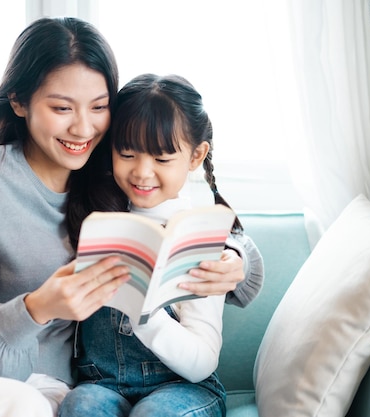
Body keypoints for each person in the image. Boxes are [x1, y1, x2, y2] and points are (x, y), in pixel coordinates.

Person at [0, 18, 247, 417]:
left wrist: (235, 258)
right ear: (19, 101)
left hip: (51, 388)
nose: (83, 127)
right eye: (61, 108)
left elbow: (189, 214)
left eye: (99, 107)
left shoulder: (115, 169)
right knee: (26, 406)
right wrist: (35, 308)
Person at [59, 74, 264, 417]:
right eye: (127, 153)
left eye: (162, 159)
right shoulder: (94, 220)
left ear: (196, 155)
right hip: (102, 384)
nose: (142, 172)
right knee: (80, 405)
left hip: (183, 387)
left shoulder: (201, 240)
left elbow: (200, 364)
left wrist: (143, 313)